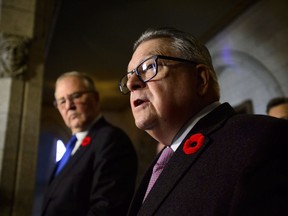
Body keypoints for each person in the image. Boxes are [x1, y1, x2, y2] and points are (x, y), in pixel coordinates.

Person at [118, 27, 288, 216]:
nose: (132, 83)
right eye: (130, 75)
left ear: (200, 79)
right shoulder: (160, 164)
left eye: (149, 67)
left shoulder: (261, 138)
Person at [41, 71, 138, 216]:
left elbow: (106, 208)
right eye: (62, 101)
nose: (69, 106)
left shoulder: (110, 139)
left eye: (76, 96)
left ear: (95, 98)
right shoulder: (72, 147)